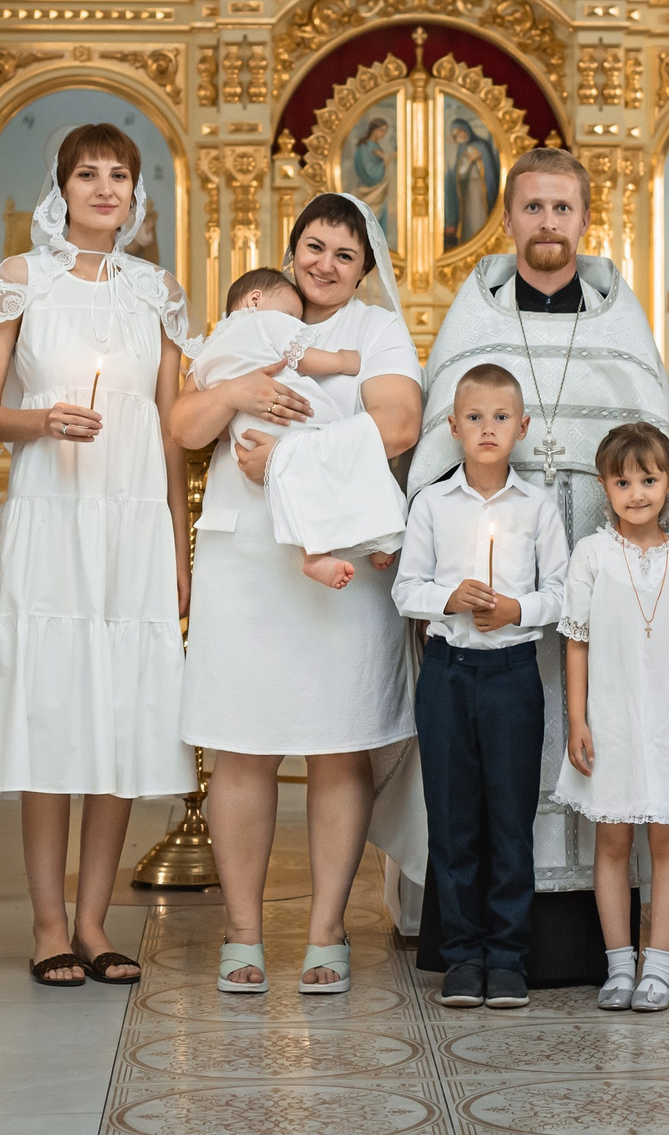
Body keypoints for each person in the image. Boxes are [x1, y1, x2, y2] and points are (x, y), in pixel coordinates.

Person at [410, 147, 669, 981]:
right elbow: (436, 457)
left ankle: (600, 940)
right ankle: (478, 934)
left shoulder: (621, 319)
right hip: (498, 595)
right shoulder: (472, 319)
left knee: (602, 727)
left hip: (608, 578)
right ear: (508, 217)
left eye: (562, 207)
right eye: (533, 207)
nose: (548, 222)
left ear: (585, 217)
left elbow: (657, 449)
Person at [176, 193, 423, 995]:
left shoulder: (374, 330)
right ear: (291, 250)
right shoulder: (246, 320)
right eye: (314, 246)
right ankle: (242, 932)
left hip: (338, 564)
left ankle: (325, 931)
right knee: (241, 745)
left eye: (345, 254)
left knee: (337, 742)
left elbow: (398, 425)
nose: (326, 264)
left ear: (365, 268)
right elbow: (185, 426)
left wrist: (287, 458)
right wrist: (236, 394)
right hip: (245, 561)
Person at [0, 124, 196, 987]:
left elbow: (172, 430)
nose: (105, 187)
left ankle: (95, 921)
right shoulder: (19, 279)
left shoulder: (158, 291)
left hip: (134, 520)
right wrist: (43, 419)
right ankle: (46, 924)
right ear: (60, 188)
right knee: (54, 712)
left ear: (137, 191)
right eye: (87, 173)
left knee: (120, 717)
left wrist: (177, 545)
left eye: (120, 174)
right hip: (53, 515)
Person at [393, 363, 569, 1009]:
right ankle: (464, 955)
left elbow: (563, 593)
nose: (487, 428)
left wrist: (517, 609)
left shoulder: (538, 506)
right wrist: (450, 597)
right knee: (454, 819)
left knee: (509, 819)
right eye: (474, 417)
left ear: (522, 427)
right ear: (453, 426)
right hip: (448, 673)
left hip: (512, 677)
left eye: (500, 417)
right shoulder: (432, 504)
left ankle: (509, 956)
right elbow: (405, 590)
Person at [556, 422, 669, 1016]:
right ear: (605, 487)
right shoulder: (593, 555)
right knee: (612, 841)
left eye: (648, 480)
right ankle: (619, 966)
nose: (637, 494)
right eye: (622, 482)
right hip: (611, 721)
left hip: (667, 723)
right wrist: (578, 721)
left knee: (666, 840)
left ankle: (659, 967)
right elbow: (576, 642)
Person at [187, 267, 401, 591]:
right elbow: (299, 357)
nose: (295, 324)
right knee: (350, 454)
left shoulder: (210, 344)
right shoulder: (262, 321)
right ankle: (379, 534)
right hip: (290, 411)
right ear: (255, 300)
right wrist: (342, 360)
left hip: (246, 430)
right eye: (290, 316)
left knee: (296, 486)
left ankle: (315, 553)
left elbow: (197, 400)